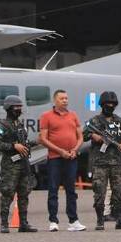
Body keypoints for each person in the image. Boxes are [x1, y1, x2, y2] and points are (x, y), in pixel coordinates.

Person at [38, 89, 85, 232]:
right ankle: (53, 221)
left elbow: (80, 137)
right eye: (61, 98)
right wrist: (60, 151)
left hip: (71, 157)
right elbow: (43, 139)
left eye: (66, 98)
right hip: (55, 158)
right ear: (55, 101)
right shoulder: (46, 116)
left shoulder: (73, 115)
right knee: (53, 189)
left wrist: (74, 150)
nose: (65, 100)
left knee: (71, 190)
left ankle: (73, 220)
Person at [85, 91, 121, 231]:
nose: (110, 106)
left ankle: (120, 220)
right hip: (100, 163)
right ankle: (100, 220)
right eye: (107, 104)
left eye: (112, 104)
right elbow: (84, 134)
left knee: (119, 192)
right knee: (99, 192)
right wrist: (94, 136)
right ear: (102, 105)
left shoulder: (119, 121)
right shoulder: (95, 121)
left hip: (117, 162)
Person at [0, 95, 38, 233]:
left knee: (24, 193)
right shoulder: (1, 126)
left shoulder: (20, 125)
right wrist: (14, 146)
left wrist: (36, 142)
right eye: (16, 107)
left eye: (20, 107)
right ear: (8, 108)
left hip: (24, 165)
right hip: (10, 166)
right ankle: (3, 223)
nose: (19, 109)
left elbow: (24, 144)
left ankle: (23, 223)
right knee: (7, 193)